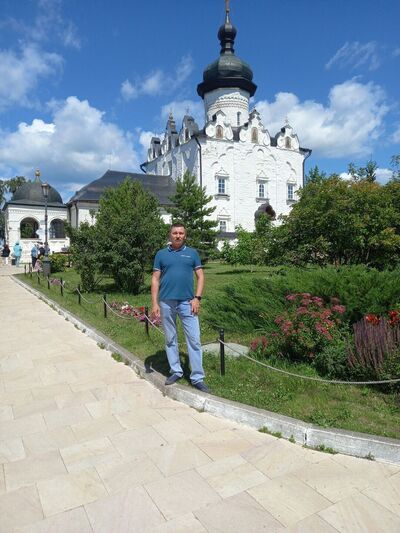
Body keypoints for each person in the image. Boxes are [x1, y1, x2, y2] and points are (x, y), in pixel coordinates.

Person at [151, 223, 209, 393]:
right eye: (175, 233)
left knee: (194, 340)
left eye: (181, 233)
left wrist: (197, 298)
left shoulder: (192, 253)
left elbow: (200, 276)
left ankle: (197, 377)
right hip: (166, 302)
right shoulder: (161, 254)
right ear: (170, 235)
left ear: (185, 236)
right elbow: (155, 279)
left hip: (188, 303)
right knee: (170, 338)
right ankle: (176, 370)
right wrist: (154, 303)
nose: (178, 235)